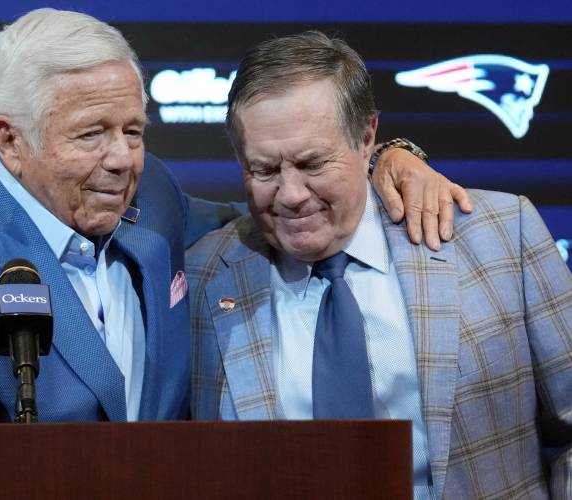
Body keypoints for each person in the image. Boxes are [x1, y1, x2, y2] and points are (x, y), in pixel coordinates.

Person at [0, 9, 466, 425]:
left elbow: (289, 211)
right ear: (10, 141)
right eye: (91, 134)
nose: (121, 160)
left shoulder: (152, 194)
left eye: (133, 130)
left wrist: (388, 157)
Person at [186, 31, 572, 499]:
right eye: (263, 170)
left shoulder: (501, 236)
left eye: (312, 164)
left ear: (368, 137)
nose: (289, 195)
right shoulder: (205, 273)